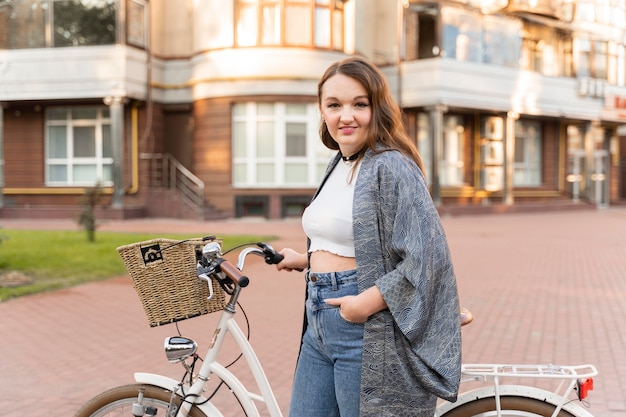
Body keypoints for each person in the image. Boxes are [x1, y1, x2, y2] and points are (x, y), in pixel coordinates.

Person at [277, 55, 461, 417]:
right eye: (334, 105)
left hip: (364, 326)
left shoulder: (390, 165)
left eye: (359, 104)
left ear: (377, 109)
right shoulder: (339, 163)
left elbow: (428, 258)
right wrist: (305, 258)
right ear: (322, 111)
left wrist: (365, 304)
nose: (346, 116)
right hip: (318, 322)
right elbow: (353, 237)